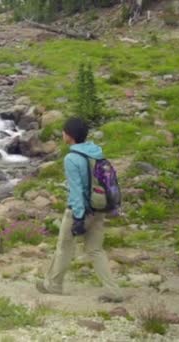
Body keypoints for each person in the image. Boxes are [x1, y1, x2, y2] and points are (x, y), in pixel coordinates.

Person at [36, 117, 123, 303]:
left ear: (69, 136)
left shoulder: (72, 158)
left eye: (64, 131)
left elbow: (76, 191)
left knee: (64, 247)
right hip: (99, 207)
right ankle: (113, 291)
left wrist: (78, 217)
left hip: (81, 210)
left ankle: (53, 285)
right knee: (95, 250)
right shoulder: (96, 153)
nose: (62, 134)